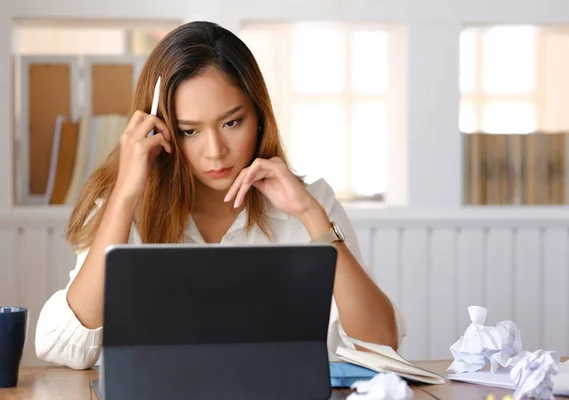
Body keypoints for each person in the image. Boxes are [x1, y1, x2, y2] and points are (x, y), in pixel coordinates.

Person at [34, 21, 406, 370]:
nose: (215, 151)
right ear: (160, 130)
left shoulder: (312, 203)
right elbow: (63, 345)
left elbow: (380, 343)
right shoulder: (122, 205)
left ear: (259, 115)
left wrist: (310, 215)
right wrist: (127, 193)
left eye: (231, 122)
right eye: (188, 131)